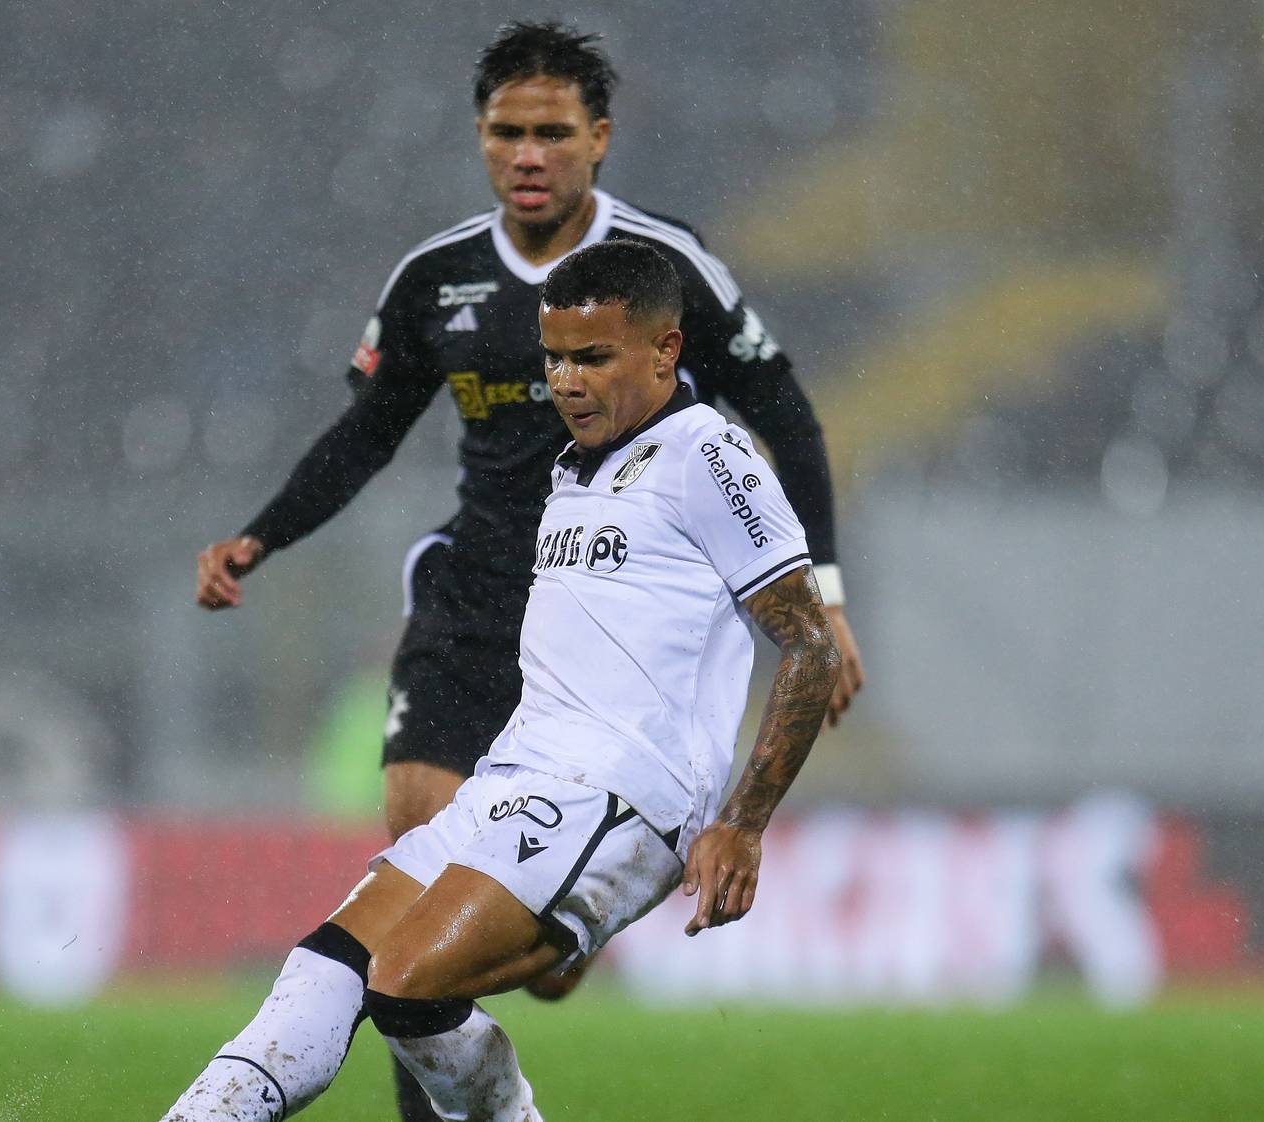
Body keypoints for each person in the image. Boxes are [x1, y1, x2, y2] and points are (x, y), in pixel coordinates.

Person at [195, 22, 862, 1119]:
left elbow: (780, 408)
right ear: (478, 138)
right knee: (398, 925)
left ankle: (525, 968)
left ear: (598, 139)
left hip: (619, 647)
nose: (527, 154)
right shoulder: (438, 279)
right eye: (505, 132)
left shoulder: (667, 286)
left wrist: (822, 595)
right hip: (477, 604)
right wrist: (260, 536)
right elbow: (366, 431)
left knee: (512, 970)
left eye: (551, 131)